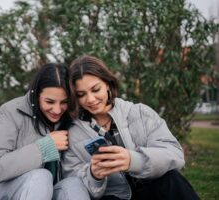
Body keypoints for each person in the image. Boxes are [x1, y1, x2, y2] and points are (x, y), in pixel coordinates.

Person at [62, 55, 199, 200]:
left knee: (171, 179)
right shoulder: (72, 133)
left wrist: (134, 160)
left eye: (96, 90)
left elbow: (174, 155)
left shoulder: (140, 113)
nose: (90, 99)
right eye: (81, 94)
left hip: (151, 189)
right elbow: (72, 181)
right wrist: (93, 174)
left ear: (108, 83)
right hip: (113, 196)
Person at [0, 63, 90, 200]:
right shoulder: (11, 112)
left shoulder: (71, 118)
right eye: (49, 102)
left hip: (46, 192)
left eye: (64, 102)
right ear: (36, 95)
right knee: (41, 176)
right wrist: (45, 148)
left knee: (74, 184)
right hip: (3, 190)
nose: (57, 110)